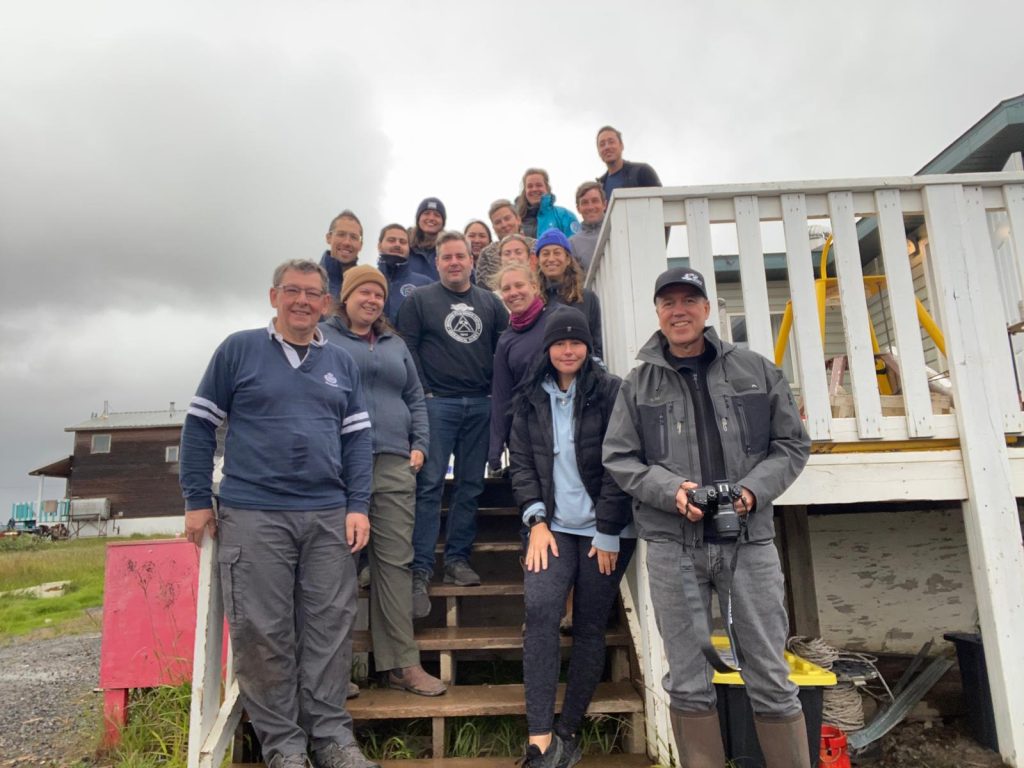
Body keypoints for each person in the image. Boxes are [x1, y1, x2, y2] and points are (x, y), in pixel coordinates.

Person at [602, 267, 812, 768]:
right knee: (688, 678)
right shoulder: (637, 384)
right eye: (668, 302)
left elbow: (791, 445)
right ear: (657, 312)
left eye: (689, 300)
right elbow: (620, 458)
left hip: (749, 543)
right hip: (673, 546)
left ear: (706, 308)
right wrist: (669, 489)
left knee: (769, 671)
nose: (679, 311)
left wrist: (750, 492)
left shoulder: (756, 369)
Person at [180, 259, 378, 768]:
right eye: (293, 291)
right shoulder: (238, 350)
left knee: (330, 628)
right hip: (254, 512)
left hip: (328, 515)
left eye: (314, 293)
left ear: (326, 304)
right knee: (262, 631)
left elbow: (357, 441)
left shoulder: (342, 364)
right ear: (274, 297)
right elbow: (200, 425)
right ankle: (284, 745)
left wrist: (358, 504)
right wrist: (197, 499)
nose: (303, 301)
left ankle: (331, 737)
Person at [509, 306, 635, 768]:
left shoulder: (611, 392)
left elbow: (622, 466)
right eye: (559, 342)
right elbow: (520, 464)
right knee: (541, 609)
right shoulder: (529, 398)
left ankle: (568, 731)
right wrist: (535, 521)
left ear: (587, 347)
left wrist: (607, 530)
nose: (567, 349)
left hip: (607, 528)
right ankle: (539, 736)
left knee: (588, 624)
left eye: (576, 341)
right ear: (547, 348)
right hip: (552, 527)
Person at [319, 266, 447, 698]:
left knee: (394, 563)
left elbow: (415, 396)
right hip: (339, 465)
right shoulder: (324, 337)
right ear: (346, 296)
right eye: (364, 293)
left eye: (378, 294)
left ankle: (401, 664)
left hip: (394, 462)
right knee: (337, 567)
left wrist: (421, 444)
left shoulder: (396, 344)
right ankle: (332, 671)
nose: (371, 300)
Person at [395, 231, 509, 617]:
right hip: (436, 405)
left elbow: (503, 348)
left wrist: (496, 395)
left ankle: (458, 559)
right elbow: (406, 347)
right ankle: (421, 568)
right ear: (438, 263)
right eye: (447, 257)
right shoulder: (419, 301)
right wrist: (423, 392)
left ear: (471, 260)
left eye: (461, 256)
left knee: (471, 486)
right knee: (428, 486)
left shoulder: (489, 303)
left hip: (481, 404)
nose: (455, 262)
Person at [488, 264, 548, 472]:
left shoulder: (559, 318)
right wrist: (496, 448)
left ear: (534, 287)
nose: (513, 293)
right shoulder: (506, 340)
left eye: (519, 285)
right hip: (526, 434)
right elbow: (502, 395)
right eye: (506, 289)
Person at [534, 229, 603, 360]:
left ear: (568, 259)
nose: (551, 259)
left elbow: (597, 344)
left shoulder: (587, 298)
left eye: (557, 253)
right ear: (538, 261)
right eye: (545, 254)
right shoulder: (534, 300)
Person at [375, 223, 432, 322]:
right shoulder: (365, 279)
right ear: (379, 245)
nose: (397, 244)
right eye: (391, 240)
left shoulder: (426, 285)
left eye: (403, 242)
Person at [476, 199, 536, 290]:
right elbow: (482, 288)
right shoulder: (486, 254)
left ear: (518, 219)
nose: (504, 224)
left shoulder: (536, 246)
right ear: (493, 227)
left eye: (507, 218)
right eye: (498, 222)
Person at [595, 125, 663, 203]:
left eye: (611, 142)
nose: (607, 147)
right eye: (602, 144)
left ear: (622, 146)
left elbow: (661, 202)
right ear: (598, 151)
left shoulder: (642, 172)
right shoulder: (600, 186)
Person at [514, 168, 579, 239]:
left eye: (539, 185)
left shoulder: (564, 216)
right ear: (525, 191)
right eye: (530, 186)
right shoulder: (515, 219)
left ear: (547, 188)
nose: (534, 189)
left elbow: (576, 245)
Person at [320, 210, 365, 300]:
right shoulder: (309, 281)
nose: (347, 242)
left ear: (361, 245)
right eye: (341, 234)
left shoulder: (367, 286)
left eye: (353, 237)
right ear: (329, 238)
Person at [569, 181, 606, 273]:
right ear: (578, 208)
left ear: (604, 205)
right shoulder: (572, 244)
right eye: (585, 203)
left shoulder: (620, 231)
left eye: (595, 201)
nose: (590, 207)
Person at [407, 197, 446, 282]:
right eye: (426, 213)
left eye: (437, 215)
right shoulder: (405, 246)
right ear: (418, 219)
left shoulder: (448, 248)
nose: (431, 218)